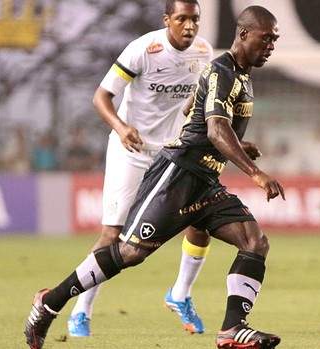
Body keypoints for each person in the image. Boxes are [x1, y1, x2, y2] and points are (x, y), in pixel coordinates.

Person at [24, 5, 284, 349]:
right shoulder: (221, 71)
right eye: (266, 38)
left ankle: (233, 328)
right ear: (244, 34)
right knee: (129, 252)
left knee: (254, 242)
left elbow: (194, 108)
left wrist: (233, 142)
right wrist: (255, 173)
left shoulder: (237, 74)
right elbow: (217, 128)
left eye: (274, 40)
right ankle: (50, 303)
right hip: (179, 174)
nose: (271, 46)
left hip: (206, 180)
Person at [66, 0, 214, 337]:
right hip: (130, 150)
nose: (190, 26)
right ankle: (81, 310)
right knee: (112, 235)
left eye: (195, 20)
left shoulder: (204, 53)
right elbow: (101, 97)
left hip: (174, 155)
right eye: (182, 19)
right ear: (167, 20)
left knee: (201, 220)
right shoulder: (143, 50)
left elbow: (195, 99)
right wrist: (121, 127)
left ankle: (180, 295)